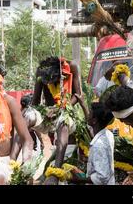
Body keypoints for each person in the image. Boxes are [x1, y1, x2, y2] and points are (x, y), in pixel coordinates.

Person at [31, 56, 89, 185]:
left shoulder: (72, 66)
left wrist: (61, 108)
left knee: (64, 122)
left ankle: (56, 172)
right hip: (49, 115)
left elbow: (78, 94)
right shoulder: (41, 72)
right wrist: (42, 112)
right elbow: (35, 101)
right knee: (27, 115)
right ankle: (19, 166)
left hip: (69, 111)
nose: (50, 84)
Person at [69, 102, 115, 185]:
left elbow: (102, 177)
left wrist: (79, 180)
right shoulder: (108, 134)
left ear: (94, 120)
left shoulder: (98, 145)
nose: (87, 116)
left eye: (90, 114)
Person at [10, 94, 45, 159]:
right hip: (30, 137)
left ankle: (14, 163)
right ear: (30, 103)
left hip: (18, 138)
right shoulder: (33, 113)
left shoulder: (18, 112)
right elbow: (37, 130)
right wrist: (41, 141)